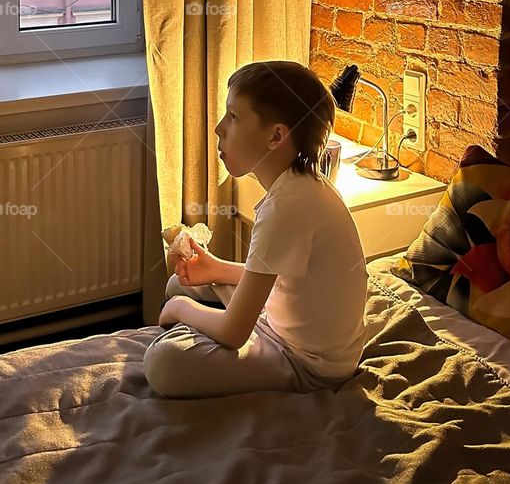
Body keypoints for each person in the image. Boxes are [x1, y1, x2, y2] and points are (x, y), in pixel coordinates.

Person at [143, 60, 368, 398]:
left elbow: (234, 333)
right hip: (279, 323)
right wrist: (216, 268)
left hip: (306, 364)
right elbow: (277, 276)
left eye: (233, 117)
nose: (220, 128)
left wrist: (179, 311)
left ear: (276, 136)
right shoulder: (302, 185)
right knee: (181, 282)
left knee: (163, 363)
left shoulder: (287, 207)